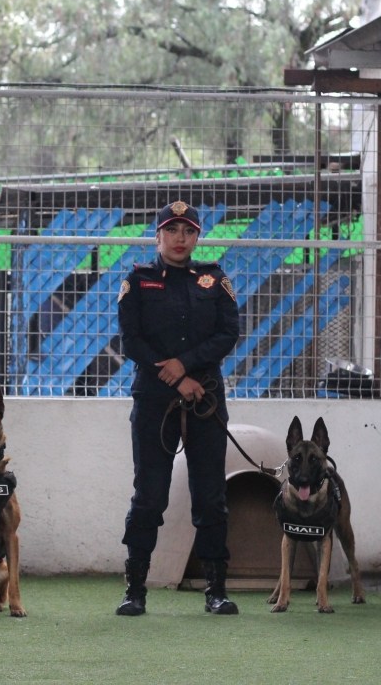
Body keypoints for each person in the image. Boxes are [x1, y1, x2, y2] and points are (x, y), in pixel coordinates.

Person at [114, 200, 241, 616]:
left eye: (188, 231)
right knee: (149, 495)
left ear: (197, 237)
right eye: (172, 230)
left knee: (211, 496)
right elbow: (130, 339)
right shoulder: (139, 279)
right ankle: (135, 589)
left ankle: (216, 590)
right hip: (154, 398)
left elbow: (229, 333)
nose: (180, 239)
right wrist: (172, 375)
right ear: (158, 236)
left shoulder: (214, 278)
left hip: (204, 396)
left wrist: (186, 367)